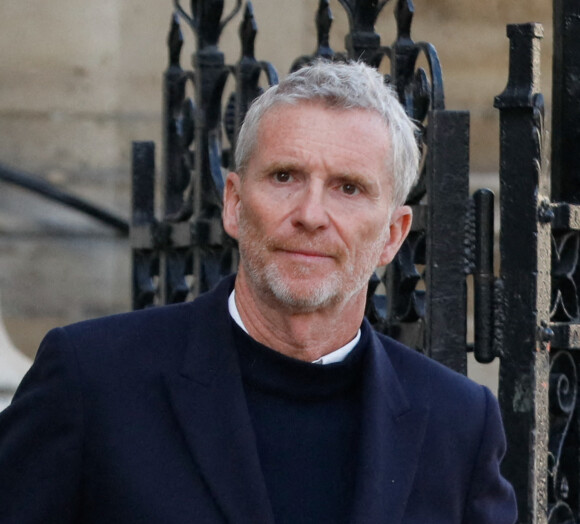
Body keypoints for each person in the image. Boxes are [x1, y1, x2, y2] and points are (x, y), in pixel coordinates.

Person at [0, 60, 516, 523]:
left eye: (349, 188)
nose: (311, 215)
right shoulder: (92, 379)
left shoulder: (459, 423)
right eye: (285, 176)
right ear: (234, 203)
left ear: (392, 235)